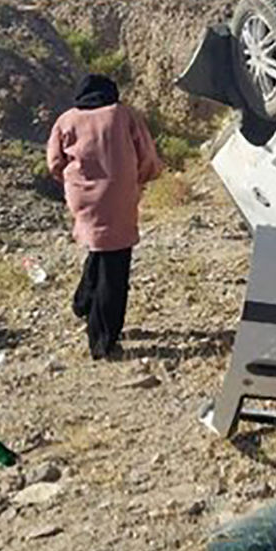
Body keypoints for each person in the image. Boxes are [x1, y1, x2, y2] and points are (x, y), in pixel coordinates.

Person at [46, 74, 163, 360]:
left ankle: (83, 301)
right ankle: (102, 340)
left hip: (82, 197)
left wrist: (74, 183)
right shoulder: (123, 115)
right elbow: (146, 157)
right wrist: (140, 178)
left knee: (98, 245)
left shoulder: (66, 120)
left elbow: (54, 163)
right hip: (118, 196)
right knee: (115, 268)